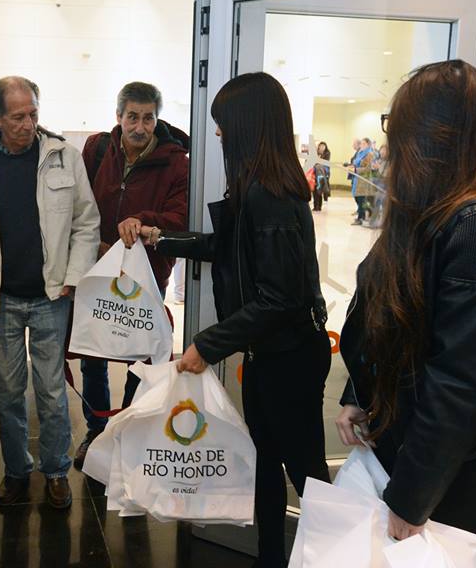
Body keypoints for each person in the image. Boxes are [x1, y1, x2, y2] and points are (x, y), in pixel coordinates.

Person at [136, 72, 330, 568]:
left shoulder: (270, 196)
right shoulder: (257, 188)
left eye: (223, 123)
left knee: (305, 472)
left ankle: (332, 553)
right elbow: (226, 248)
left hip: (291, 357)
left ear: (247, 124)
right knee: (265, 461)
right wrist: (161, 237)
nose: (218, 133)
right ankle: (272, 557)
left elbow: (279, 298)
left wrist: (207, 344)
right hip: (274, 352)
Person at [335, 60, 476, 541]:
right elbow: (383, 313)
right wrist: (360, 397)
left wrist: (412, 497)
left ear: (431, 136)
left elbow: (461, 381)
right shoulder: (426, 215)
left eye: (397, 126)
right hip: (410, 448)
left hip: (457, 474)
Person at [0, 76, 99, 510]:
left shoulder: (64, 157)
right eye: (17, 117)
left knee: (52, 392)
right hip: (2, 300)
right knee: (7, 393)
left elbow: (86, 222)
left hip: (51, 295)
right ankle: (16, 470)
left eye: (33, 113)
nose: (28, 124)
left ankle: (55, 470)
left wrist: (74, 275)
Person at [74, 81, 188, 469]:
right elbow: (79, 204)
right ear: (118, 116)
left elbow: (179, 218)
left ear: (157, 119)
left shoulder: (176, 162)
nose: (140, 127)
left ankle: (129, 432)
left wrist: (143, 221)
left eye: (148, 118)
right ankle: (96, 431)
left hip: (147, 275)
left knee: (139, 355)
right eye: (132, 117)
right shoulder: (97, 150)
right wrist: (93, 245)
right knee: (93, 354)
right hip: (98, 270)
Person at [350, 137, 374, 226]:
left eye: (364, 144)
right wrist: (352, 167)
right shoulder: (360, 153)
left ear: (368, 144)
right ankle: (363, 215)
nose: (362, 145)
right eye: (361, 143)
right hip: (357, 179)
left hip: (364, 180)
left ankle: (361, 218)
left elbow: (367, 169)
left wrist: (356, 170)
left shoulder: (369, 154)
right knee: (358, 198)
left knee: (361, 200)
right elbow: (356, 163)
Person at [312, 141, 331, 212]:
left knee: (319, 190)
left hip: (322, 174)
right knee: (315, 190)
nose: (321, 147)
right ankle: (316, 206)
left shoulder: (327, 153)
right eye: (320, 146)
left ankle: (318, 206)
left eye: (323, 146)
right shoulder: (315, 153)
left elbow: (325, 164)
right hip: (314, 174)